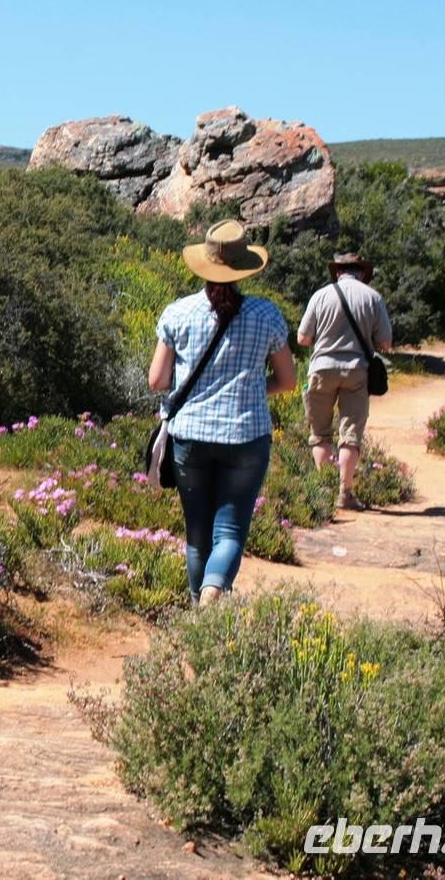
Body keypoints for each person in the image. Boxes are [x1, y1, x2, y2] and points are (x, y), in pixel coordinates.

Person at [149, 219, 296, 607]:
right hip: (247, 435)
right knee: (229, 531)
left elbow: (157, 380)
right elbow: (287, 380)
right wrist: (250, 390)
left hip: (190, 437)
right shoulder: (266, 315)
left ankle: (200, 606)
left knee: (197, 535)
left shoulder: (179, 312)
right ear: (244, 266)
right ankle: (213, 594)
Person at [296, 252, 393, 511]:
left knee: (320, 434)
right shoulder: (373, 297)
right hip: (356, 371)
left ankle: (323, 492)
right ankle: (345, 493)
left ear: (338, 272)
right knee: (350, 435)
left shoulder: (320, 295)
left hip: (321, 369)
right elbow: (385, 342)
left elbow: (302, 339)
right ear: (361, 273)